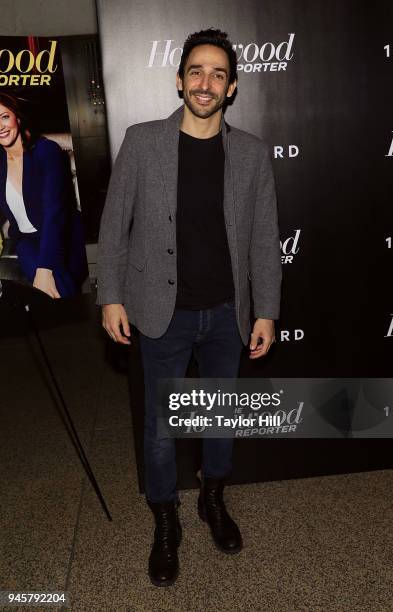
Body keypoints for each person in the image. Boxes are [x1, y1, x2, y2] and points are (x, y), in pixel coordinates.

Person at [97, 28, 282, 587]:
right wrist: (110, 296)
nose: (206, 83)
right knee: (159, 428)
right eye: (196, 72)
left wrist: (266, 310)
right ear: (179, 81)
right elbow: (113, 227)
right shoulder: (142, 141)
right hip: (161, 313)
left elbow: (263, 238)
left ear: (230, 89)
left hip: (227, 314)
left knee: (219, 418)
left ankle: (213, 499)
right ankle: (164, 519)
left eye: (218, 74)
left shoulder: (250, 153)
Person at [0, 92, 88, 298]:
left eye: (4, 117)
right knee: (32, 260)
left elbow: (54, 212)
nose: (1, 126)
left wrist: (46, 268)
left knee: (53, 281)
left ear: (17, 118)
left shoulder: (46, 151)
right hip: (26, 240)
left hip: (63, 237)